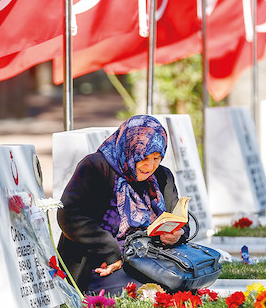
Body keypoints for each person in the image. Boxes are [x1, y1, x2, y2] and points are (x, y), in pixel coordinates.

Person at [57, 115, 189, 296]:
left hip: (149, 260)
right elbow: (70, 215)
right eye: (144, 157)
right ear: (130, 147)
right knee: (153, 291)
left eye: (157, 158)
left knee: (182, 282)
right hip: (100, 262)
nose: (149, 166)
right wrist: (112, 253)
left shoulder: (162, 177)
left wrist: (177, 234)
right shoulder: (96, 167)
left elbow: (179, 218)